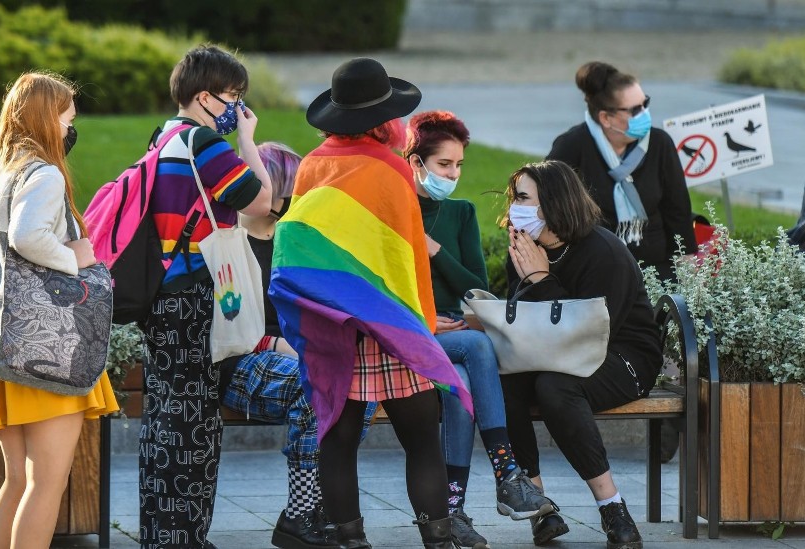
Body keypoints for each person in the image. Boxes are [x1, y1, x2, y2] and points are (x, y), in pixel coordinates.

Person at [268, 57, 472, 549]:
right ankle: (438, 541)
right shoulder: (392, 168)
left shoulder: (313, 166)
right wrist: (421, 326)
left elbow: (301, 244)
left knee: (337, 443)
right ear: (385, 118)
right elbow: (404, 256)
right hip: (390, 324)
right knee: (422, 440)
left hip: (333, 326)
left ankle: (351, 542)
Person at [0, 72, 119, 549]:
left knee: (17, 482)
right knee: (46, 482)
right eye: (68, 116)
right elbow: (28, 237)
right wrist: (77, 257)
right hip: (46, 350)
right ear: (49, 118)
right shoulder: (42, 174)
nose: (72, 126)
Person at [138, 45, 273, 549]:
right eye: (232, 96)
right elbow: (262, 200)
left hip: (162, 293)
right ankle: (184, 537)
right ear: (204, 96)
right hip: (196, 293)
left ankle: (163, 532)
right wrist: (247, 140)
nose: (237, 106)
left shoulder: (163, 138)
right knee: (195, 419)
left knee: (166, 414)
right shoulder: (204, 144)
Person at [403, 111, 555, 548]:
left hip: (455, 337)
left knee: (464, 379)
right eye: (443, 165)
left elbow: (476, 288)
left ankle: (453, 512)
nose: (453, 174)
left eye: (458, 165)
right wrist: (425, 322)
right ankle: (507, 472)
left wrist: (434, 250)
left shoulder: (461, 213)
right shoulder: (394, 211)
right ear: (415, 163)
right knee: (474, 347)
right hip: (412, 331)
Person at [217, 142, 375, 549]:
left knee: (362, 390)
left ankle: (315, 504)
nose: (293, 200)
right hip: (242, 360)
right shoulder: (228, 243)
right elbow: (225, 323)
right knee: (316, 386)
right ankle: (301, 514)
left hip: (299, 355)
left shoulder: (295, 239)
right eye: (289, 190)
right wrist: (277, 344)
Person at [498, 160, 661, 549]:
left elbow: (589, 338)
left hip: (623, 356)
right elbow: (522, 320)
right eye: (514, 198)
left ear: (553, 203)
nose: (513, 208)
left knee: (555, 388)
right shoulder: (524, 248)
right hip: (553, 353)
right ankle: (540, 508)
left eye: (523, 198)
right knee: (501, 380)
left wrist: (541, 280)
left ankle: (613, 508)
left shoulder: (604, 251)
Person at [546, 61, 697, 464]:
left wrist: (688, 268)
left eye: (646, 103)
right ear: (606, 117)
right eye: (635, 109)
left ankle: (669, 421)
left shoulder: (659, 145)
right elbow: (552, 209)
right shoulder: (572, 147)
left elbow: (679, 213)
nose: (645, 114)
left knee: (673, 323)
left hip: (655, 269)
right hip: (600, 272)